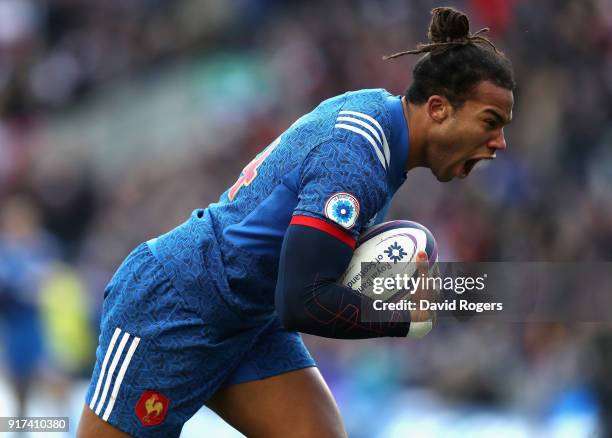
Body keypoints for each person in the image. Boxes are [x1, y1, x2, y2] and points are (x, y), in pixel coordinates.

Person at [77, 7, 514, 438]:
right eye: (490, 122)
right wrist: (401, 315)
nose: (499, 142)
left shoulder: (379, 119)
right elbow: (301, 301)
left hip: (249, 317)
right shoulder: (354, 162)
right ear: (437, 108)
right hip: (177, 305)